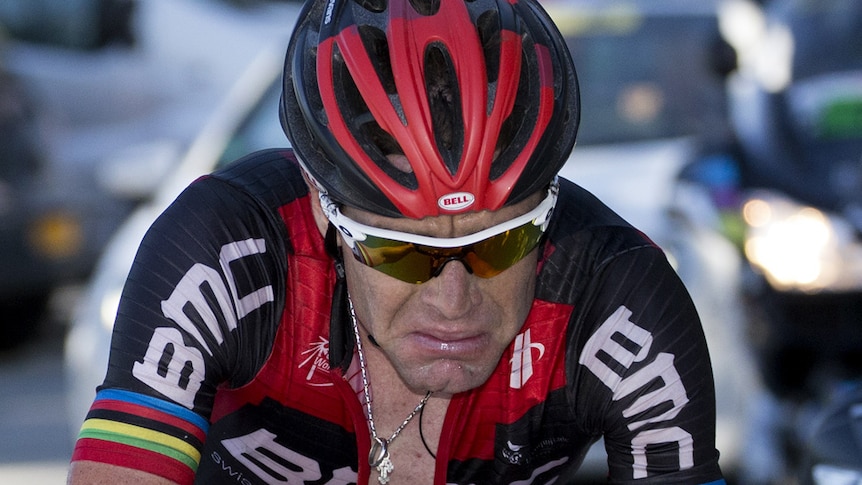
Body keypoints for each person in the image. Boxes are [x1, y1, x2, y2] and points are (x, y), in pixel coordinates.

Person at [67, 0, 727, 483]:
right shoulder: (229, 246)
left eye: (501, 243)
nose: (453, 298)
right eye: (398, 251)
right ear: (326, 214)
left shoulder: (616, 293)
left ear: (547, 215)